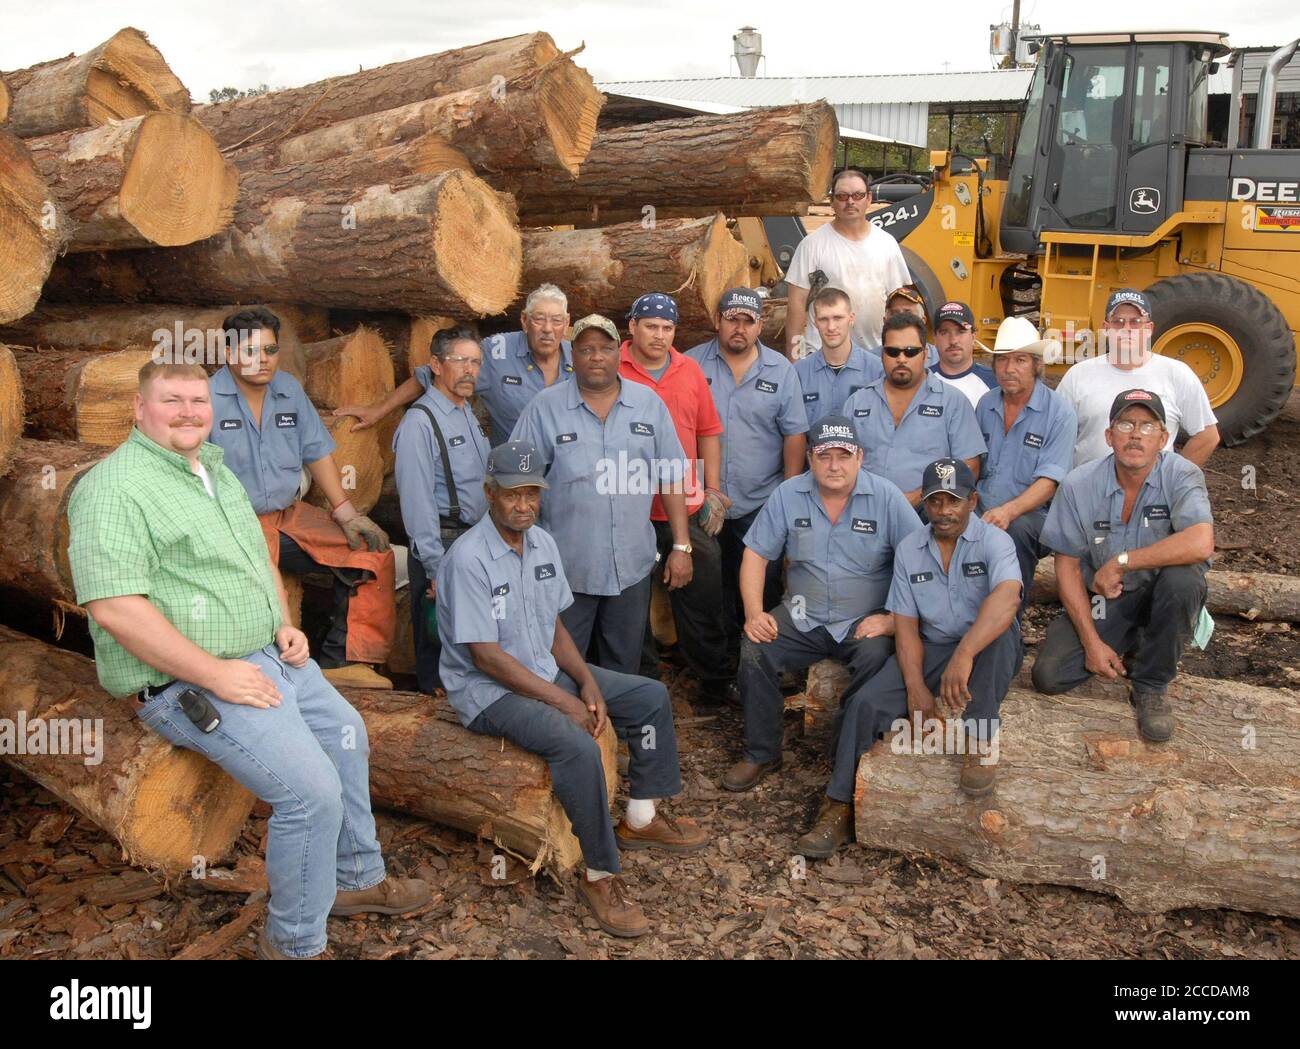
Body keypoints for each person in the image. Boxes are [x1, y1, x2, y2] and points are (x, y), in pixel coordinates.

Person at [67, 360, 430, 960]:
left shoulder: (213, 468)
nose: (188, 412)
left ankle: (356, 881)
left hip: (268, 653)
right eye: (171, 401)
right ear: (138, 410)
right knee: (310, 794)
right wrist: (215, 674)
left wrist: (284, 626)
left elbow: (253, 556)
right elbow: (115, 609)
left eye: (197, 401)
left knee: (347, 735)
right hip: (189, 681)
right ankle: (293, 946)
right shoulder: (113, 488)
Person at [436, 441, 706, 938]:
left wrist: (585, 681)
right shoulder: (468, 558)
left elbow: (554, 627)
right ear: (489, 493)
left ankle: (642, 818)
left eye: (532, 494)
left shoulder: (542, 542)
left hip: (543, 670)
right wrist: (564, 701)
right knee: (577, 745)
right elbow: (486, 657)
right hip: (488, 693)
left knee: (649, 697)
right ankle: (600, 874)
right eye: (512, 494)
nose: (523, 505)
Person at [798, 458, 1023, 857]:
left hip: (985, 644)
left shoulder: (995, 541)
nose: (944, 511)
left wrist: (965, 654)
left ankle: (979, 739)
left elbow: (1007, 598)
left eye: (953, 501)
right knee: (866, 702)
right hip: (932, 645)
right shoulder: (910, 549)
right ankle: (838, 807)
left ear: (972, 501)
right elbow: (905, 624)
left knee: (1001, 635)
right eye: (935, 501)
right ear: (926, 506)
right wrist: (917, 689)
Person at [721, 417, 921, 792]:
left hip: (865, 619)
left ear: (859, 457)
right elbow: (755, 555)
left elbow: (919, 562)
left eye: (843, 455)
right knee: (754, 649)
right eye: (823, 455)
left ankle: (845, 754)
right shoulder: (788, 495)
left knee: (877, 659)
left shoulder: (887, 497)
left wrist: (893, 620)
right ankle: (762, 752)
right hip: (802, 614)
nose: (834, 465)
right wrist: (753, 612)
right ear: (810, 458)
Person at [207, 307, 395, 690]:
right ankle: (273, 676)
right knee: (252, 598)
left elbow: (316, 451)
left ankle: (346, 663)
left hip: (288, 516)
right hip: (232, 524)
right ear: (229, 354)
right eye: (250, 352)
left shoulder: (288, 389)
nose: (263, 361)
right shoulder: (206, 398)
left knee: (371, 551)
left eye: (270, 351)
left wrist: (345, 512)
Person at [511, 314, 694, 675]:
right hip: (566, 568)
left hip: (631, 567)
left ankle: (619, 730)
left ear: (618, 353)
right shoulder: (544, 408)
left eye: (605, 348)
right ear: (572, 356)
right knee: (561, 665)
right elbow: (518, 482)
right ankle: (569, 730)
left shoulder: (648, 405)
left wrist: (682, 546)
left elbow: (672, 476)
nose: (597, 357)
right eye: (586, 349)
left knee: (623, 665)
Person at [1032, 389, 1215, 742]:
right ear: (1109, 435)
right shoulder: (1078, 485)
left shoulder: (1182, 475)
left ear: (1163, 439)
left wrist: (1122, 561)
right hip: (1108, 599)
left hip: (1161, 594)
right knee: (1049, 675)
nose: (1135, 434)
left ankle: (1151, 684)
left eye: (1147, 426)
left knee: (1184, 580)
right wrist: (1090, 642)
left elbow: (1200, 541)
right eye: (1126, 423)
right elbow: (1067, 566)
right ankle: (1129, 638)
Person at [617, 293, 734, 704]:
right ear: (632, 327)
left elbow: (708, 431)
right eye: (651, 326)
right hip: (630, 509)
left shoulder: (689, 370)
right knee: (631, 607)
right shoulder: (613, 369)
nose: (660, 336)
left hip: (686, 505)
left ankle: (714, 682)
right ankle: (643, 686)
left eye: (667, 328)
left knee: (702, 597)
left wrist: (714, 489)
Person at [686, 288, 809, 659]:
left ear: (760, 325)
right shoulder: (691, 365)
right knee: (709, 586)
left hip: (761, 500)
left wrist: (788, 492)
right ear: (717, 321)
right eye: (732, 319)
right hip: (705, 499)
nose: (739, 328)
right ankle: (718, 668)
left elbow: (794, 434)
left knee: (765, 584)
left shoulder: (781, 371)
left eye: (748, 321)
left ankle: (762, 658)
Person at [333, 283, 575, 446]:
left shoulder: (578, 360)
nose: (547, 329)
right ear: (524, 320)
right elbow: (435, 374)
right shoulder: (498, 353)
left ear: (566, 324)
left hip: (568, 479)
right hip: (514, 483)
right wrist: (379, 409)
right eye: (539, 319)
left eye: (555, 321)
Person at [393, 327, 490, 693]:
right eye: (460, 361)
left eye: (476, 362)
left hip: (474, 544)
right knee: (439, 655)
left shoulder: (466, 413)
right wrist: (435, 569)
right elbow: (417, 506)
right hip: (443, 550)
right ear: (435, 364)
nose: (470, 370)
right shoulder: (420, 423)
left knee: (471, 648)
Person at [975, 316, 1077, 610]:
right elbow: (975, 464)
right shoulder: (986, 404)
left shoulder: (1058, 412)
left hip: (1035, 515)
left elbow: (1049, 483)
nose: (1009, 369)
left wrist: (1008, 511)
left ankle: (1009, 622)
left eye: (1020, 360)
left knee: (1016, 530)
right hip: (984, 505)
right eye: (1002, 359)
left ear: (1037, 365)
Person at [1055, 288, 1219, 468]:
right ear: (1106, 329)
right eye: (1118, 322)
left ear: (1149, 329)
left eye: (1136, 322)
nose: (1127, 329)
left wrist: (1172, 481)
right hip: (1090, 492)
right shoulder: (1078, 375)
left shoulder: (1177, 374)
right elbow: (1054, 435)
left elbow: (1207, 436)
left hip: (1152, 493)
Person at [842, 312, 986, 509]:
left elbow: (969, 466)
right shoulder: (857, 402)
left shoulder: (953, 402)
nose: (901, 359)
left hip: (930, 515)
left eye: (910, 351)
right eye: (893, 351)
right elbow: (841, 462)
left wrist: (920, 496)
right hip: (865, 511)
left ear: (925, 354)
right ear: (882, 354)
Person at [784, 167, 911, 359]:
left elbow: (899, 302)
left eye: (857, 195)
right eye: (842, 196)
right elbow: (797, 305)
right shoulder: (812, 246)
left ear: (869, 199)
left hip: (874, 355)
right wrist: (794, 358)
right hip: (822, 356)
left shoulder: (886, 244)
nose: (850, 201)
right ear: (831, 201)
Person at [792, 286, 885, 418]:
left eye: (838, 318)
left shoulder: (876, 370)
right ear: (815, 322)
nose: (831, 327)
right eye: (823, 319)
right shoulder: (799, 373)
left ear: (851, 318)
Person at [930, 300, 996, 409]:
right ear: (935, 339)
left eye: (960, 331)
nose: (953, 340)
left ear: (973, 336)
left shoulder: (995, 383)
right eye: (944, 332)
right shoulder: (921, 382)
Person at [883, 284, 939, 367]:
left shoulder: (940, 358)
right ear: (885, 320)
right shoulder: (871, 361)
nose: (901, 318)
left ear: (923, 320)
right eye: (895, 313)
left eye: (908, 313)